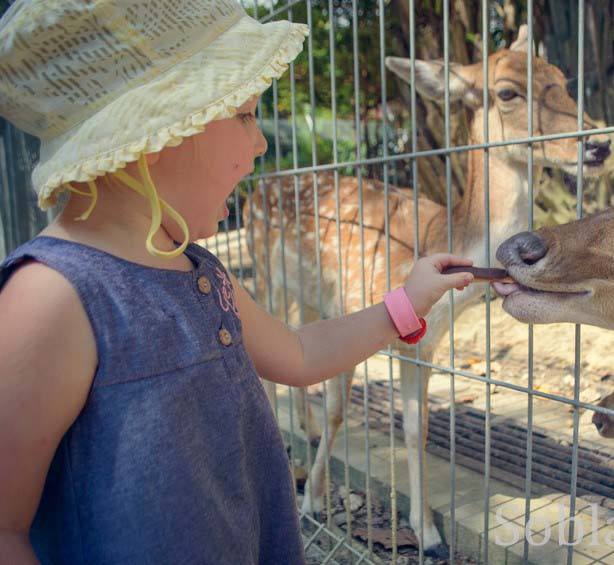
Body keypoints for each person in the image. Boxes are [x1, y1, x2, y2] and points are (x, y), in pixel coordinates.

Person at [0, 1, 475, 563]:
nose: (261, 143)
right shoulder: (48, 300)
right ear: (159, 135)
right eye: (246, 116)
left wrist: (408, 301)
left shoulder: (200, 272)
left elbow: (298, 352)